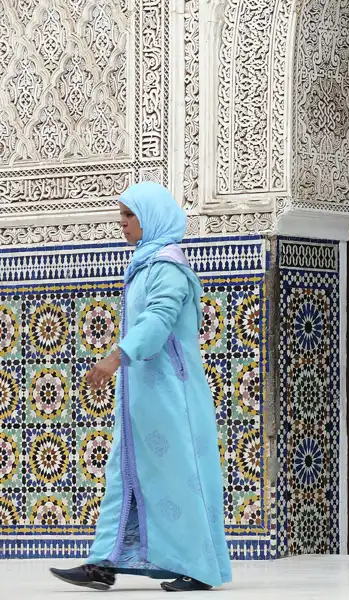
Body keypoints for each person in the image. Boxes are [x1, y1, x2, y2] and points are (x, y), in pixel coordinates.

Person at [50, 182, 232, 592]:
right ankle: (104, 563)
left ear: (150, 218)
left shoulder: (168, 267)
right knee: (126, 473)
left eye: (129, 216)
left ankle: (199, 568)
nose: (123, 224)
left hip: (172, 395)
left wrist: (117, 356)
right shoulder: (145, 264)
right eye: (121, 216)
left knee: (176, 476)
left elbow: (159, 319)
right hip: (144, 396)